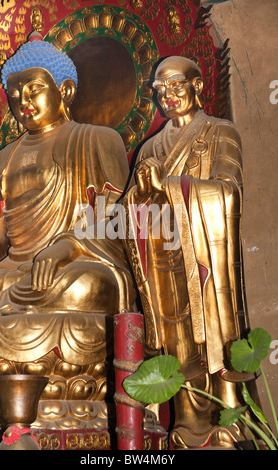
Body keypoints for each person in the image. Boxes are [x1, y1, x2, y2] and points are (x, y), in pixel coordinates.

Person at [121, 56, 255, 448]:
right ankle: (183, 426)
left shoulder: (219, 132)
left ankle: (229, 423)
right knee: (177, 347)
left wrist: (173, 185)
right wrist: (140, 196)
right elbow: (128, 213)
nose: (168, 96)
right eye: (160, 90)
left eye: (177, 85)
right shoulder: (151, 146)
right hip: (165, 270)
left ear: (197, 86)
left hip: (207, 263)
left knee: (215, 338)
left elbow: (229, 190)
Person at [0, 33, 135, 363]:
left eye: (34, 89)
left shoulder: (98, 140)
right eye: (15, 94)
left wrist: (67, 248)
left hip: (73, 267)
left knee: (89, 287)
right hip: (13, 274)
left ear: (64, 91)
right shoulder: (3, 160)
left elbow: (115, 220)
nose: (23, 101)